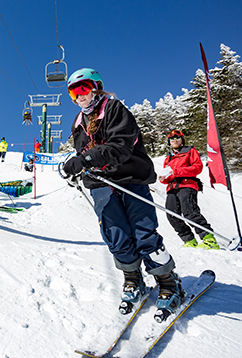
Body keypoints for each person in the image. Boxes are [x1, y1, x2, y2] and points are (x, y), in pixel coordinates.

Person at [61, 68, 184, 319]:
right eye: (74, 91)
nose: (79, 96)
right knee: (116, 237)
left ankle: (168, 283)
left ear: (96, 86)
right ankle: (133, 279)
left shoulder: (114, 109)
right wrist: (76, 170)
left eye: (83, 88)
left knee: (143, 233)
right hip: (101, 187)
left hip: (130, 179)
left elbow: (120, 146)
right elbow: (85, 156)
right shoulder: (78, 124)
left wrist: (84, 159)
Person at [158, 130, 219, 250]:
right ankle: (189, 240)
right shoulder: (168, 158)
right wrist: (163, 178)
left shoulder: (190, 151)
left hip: (187, 185)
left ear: (182, 139)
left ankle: (209, 239)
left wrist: (176, 171)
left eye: (177, 138)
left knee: (189, 212)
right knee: (171, 215)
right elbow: (168, 177)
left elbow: (197, 168)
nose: (174, 140)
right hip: (172, 188)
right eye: (172, 139)